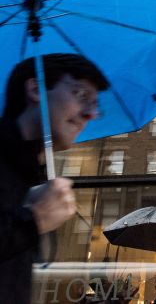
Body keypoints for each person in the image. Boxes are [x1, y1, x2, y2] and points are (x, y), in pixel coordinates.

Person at [0, 54, 109, 304]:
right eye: (80, 95)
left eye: (95, 105)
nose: (90, 114)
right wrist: (34, 219)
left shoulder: (31, 177)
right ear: (36, 89)